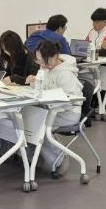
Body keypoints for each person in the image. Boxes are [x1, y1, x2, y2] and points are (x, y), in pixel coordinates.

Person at [29, 41, 83, 171]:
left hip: (68, 113)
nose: (41, 65)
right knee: (28, 121)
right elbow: (42, 87)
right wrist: (34, 82)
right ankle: (35, 158)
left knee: (38, 126)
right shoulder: (45, 68)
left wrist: (49, 103)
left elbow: (73, 100)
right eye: (38, 61)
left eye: (43, 61)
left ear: (54, 56)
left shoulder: (66, 74)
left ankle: (58, 161)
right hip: (50, 110)